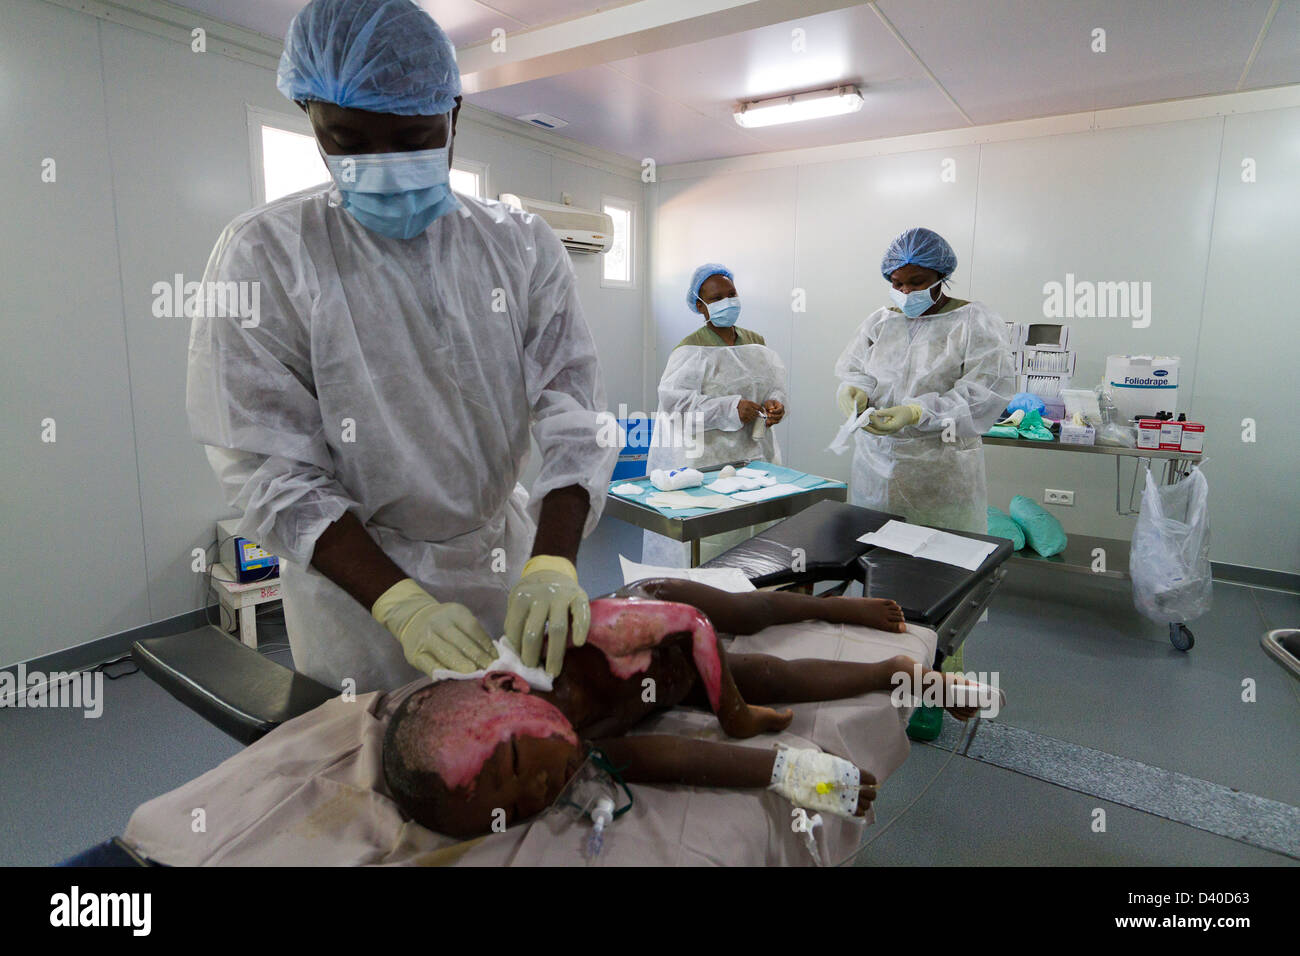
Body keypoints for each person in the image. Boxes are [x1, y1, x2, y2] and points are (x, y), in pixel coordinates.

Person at [187, 0, 616, 692]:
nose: (381, 165)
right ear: (310, 119)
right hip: (357, 600)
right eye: (348, 141)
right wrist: (401, 604)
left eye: (413, 138)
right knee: (383, 772)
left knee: (514, 749)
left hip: (502, 560)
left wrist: (554, 559)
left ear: (454, 116)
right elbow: (267, 464)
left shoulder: (519, 246)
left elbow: (572, 409)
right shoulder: (267, 255)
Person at [382, 579, 984, 837]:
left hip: (664, 623)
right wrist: (797, 773)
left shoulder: (567, 644)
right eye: (516, 810)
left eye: (517, 760)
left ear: (507, 689)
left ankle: (842, 608)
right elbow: (674, 758)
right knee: (773, 676)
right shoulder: (574, 751)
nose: (539, 787)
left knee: (748, 617)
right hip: (668, 685)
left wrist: (735, 714)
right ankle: (895, 673)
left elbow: (691, 624)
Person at [834, 228, 1013, 534]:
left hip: (941, 469)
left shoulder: (973, 322)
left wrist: (918, 412)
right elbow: (857, 371)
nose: (905, 291)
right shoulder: (880, 322)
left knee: (940, 560)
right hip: (875, 466)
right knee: (874, 555)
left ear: (940, 275)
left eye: (916, 282)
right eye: (897, 283)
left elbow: (985, 394)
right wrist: (855, 391)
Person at [641, 264, 788, 566]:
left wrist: (776, 404)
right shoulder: (690, 350)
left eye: (731, 294)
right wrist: (729, 408)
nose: (728, 302)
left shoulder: (755, 343)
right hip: (706, 462)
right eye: (717, 298)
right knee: (711, 544)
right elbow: (675, 405)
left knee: (755, 540)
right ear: (700, 305)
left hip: (755, 458)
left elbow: (774, 385)